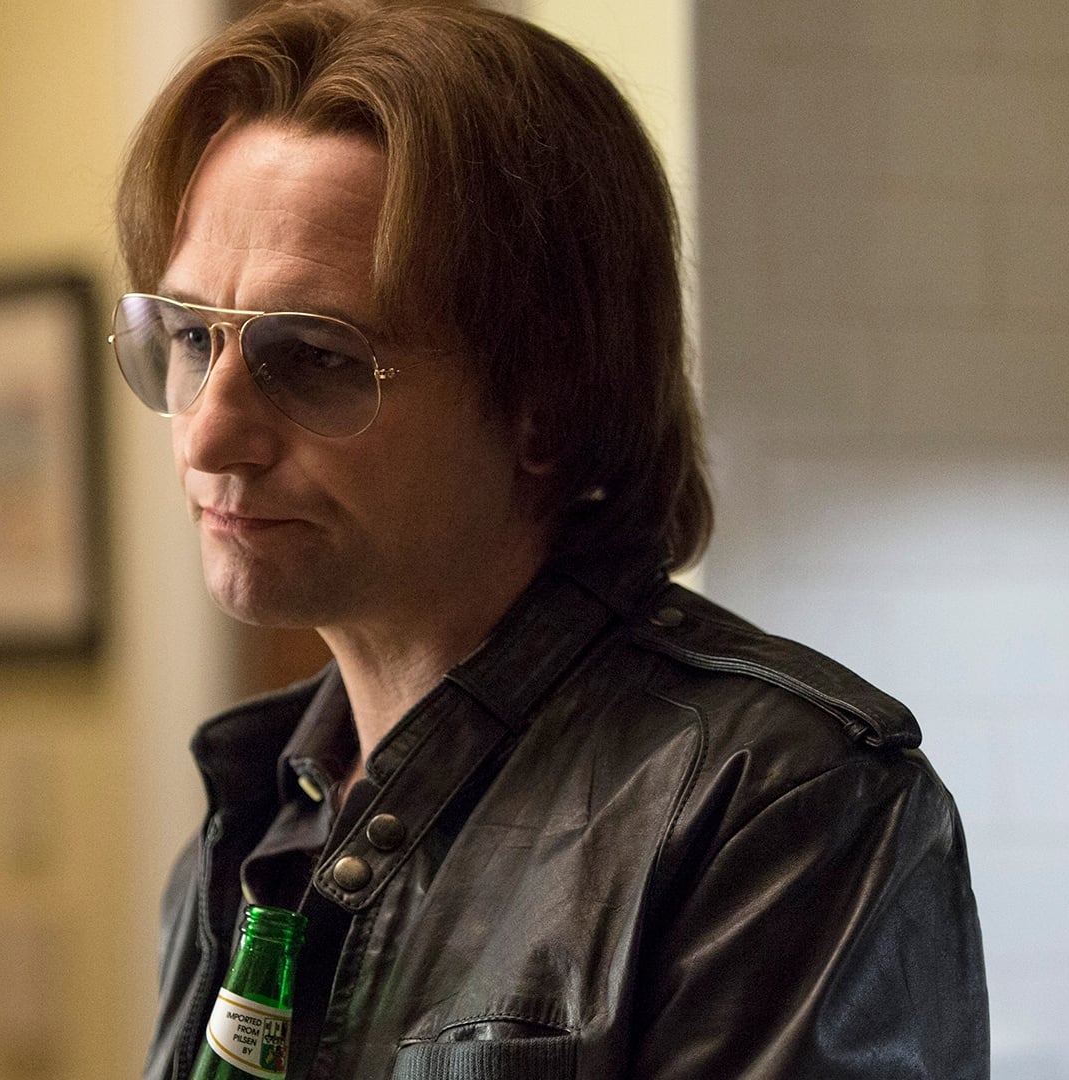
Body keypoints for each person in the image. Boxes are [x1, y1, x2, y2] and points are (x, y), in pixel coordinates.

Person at [108, 2, 989, 1077]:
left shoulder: (775, 808)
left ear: (548, 405)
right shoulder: (251, 823)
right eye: (190, 337)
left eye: (317, 357)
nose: (210, 433)